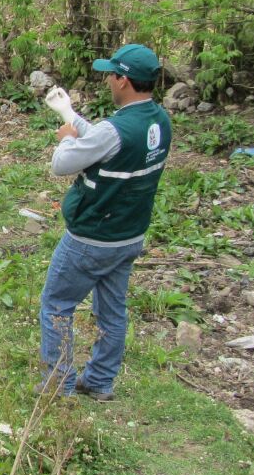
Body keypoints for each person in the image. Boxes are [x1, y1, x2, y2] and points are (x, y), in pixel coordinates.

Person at [37, 44, 172, 400]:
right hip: (128, 236)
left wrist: (66, 139)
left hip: (91, 238)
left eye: (111, 75)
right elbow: (102, 140)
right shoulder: (159, 121)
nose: (108, 82)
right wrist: (67, 112)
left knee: (56, 305)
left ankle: (58, 387)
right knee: (112, 310)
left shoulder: (114, 130)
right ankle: (99, 382)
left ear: (123, 81)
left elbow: (63, 164)